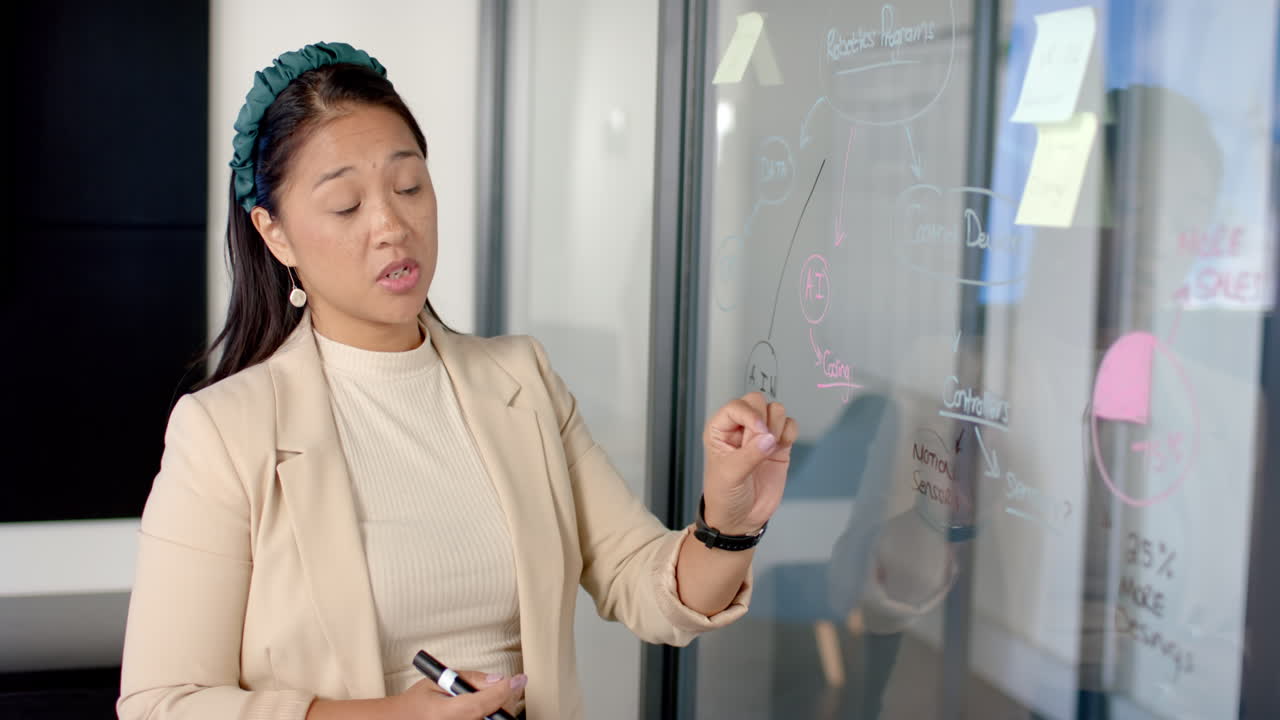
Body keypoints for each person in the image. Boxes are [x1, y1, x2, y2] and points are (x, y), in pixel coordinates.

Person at [116, 41, 798, 720]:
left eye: (409, 187)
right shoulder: (225, 431)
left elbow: (641, 585)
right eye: (347, 206)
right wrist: (393, 717)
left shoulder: (520, 379)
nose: (391, 226)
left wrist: (729, 524)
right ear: (276, 235)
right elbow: (161, 704)